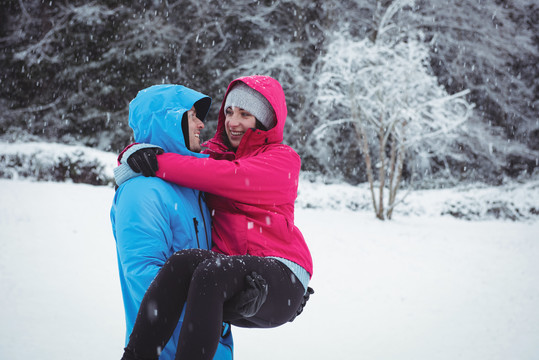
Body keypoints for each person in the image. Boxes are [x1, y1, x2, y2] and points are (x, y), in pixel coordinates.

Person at [115, 75, 314, 360]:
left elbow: (223, 175)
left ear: (266, 121)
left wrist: (152, 161)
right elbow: (182, 153)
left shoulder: (282, 159)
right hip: (232, 272)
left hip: (280, 271)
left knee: (209, 273)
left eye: (245, 114)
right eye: (230, 112)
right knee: (183, 262)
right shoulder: (216, 155)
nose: (233, 122)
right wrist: (133, 154)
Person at [110, 84, 235, 360]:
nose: (202, 124)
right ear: (167, 121)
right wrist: (217, 308)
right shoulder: (141, 191)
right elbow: (144, 277)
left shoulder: (193, 187)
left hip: (210, 348)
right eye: (192, 115)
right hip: (167, 350)